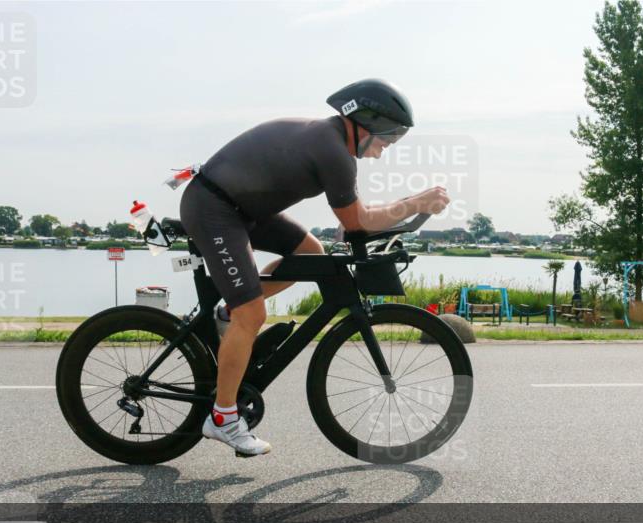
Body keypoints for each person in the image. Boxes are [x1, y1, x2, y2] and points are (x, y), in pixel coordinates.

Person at [179, 78, 450, 457]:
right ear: (366, 122)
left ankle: (227, 312)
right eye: (386, 140)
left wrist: (409, 204)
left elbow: (350, 223)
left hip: (243, 210)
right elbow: (358, 222)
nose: (383, 151)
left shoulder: (331, 140)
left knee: (311, 253)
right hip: (215, 210)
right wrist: (416, 202)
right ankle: (222, 418)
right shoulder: (333, 151)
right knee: (252, 314)